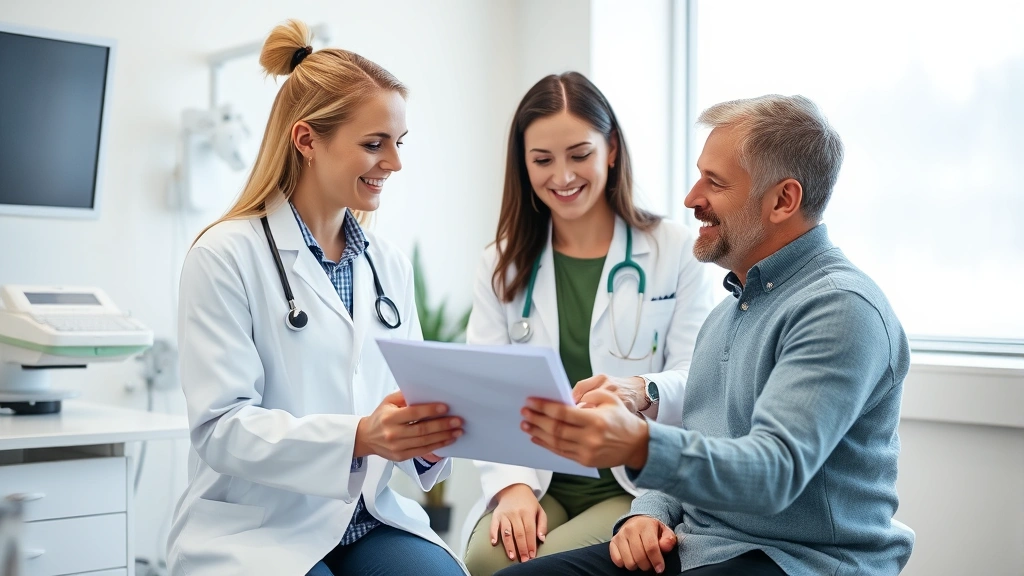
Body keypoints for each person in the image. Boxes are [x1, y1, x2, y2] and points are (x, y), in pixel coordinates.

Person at [505, 94, 915, 575]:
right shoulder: (728, 313)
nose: (691, 198)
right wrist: (646, 513)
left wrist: (636, 444)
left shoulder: (840, 309)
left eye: (714, 183)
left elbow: (772, 472)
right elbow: (700, 439)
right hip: (701, 544)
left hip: (800, 561)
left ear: (784, 199)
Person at [166, 20, 467, 576]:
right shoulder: (225, 255)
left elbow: (411, 397)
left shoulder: (388, 264)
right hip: (258, 527)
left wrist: (426, 439)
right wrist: (360, 435)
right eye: (374, 144)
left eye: (397, 144)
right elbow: (221, 427)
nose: (394, 164)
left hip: (368, 517)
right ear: (307, 140)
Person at [462, 72, 715, 575]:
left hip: (637, 481)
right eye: (542, 160)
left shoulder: (674, 250)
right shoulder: (503, 264)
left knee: (534, 571)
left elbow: (702, 379)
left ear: (612, 150)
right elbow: (485, 389)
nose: (562, 175)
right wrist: (512, 488)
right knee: (485, 559)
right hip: (539, 475)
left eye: (579, 154)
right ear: (523, 163)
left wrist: (642, 388)